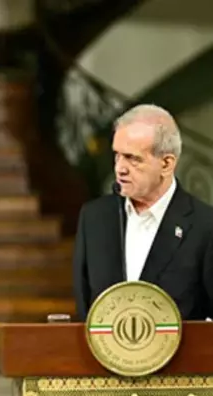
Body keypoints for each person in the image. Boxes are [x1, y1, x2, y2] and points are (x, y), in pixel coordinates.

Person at [73, 104, 213, 321]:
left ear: (166, 164)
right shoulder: (94, 218)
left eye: (133, 158)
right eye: (117, 155)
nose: (120, 168)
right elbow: (85, 310)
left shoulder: (205, 226)